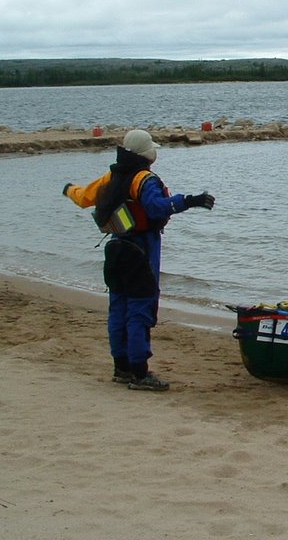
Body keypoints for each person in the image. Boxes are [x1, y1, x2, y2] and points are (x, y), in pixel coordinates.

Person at [62, 129, 215, 391]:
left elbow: (84, 196)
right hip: (141, 250)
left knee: (119, 307)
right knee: (140, 309)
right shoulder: (144, 179)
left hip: (116, 248)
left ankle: (121, 367)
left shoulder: (113, 175)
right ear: (147, 154)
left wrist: (68, 189)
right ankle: (139, 373)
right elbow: (157, 207)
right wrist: (191, 200)